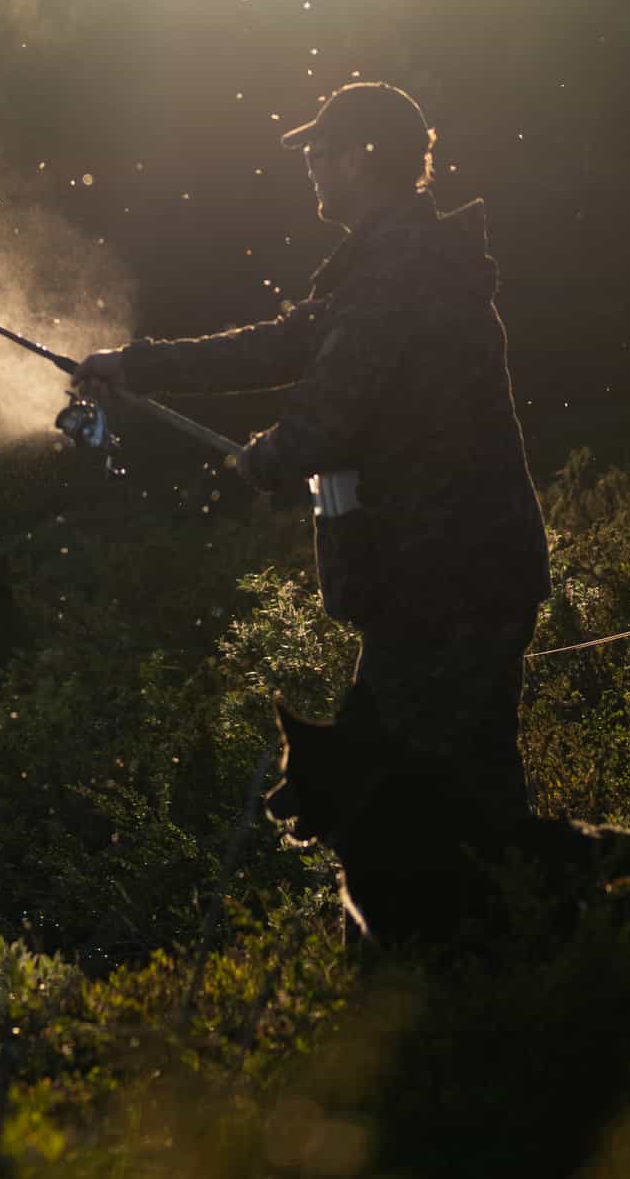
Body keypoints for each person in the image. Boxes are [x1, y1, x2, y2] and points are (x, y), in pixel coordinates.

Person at [73, 81, 551, 817]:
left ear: (363, 158)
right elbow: (281, 346)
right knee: (461, 795)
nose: (310, 166)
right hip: (457, 574)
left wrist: (264, 459)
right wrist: (134, 365)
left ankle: (486, 927)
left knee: (423, 803)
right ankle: (520, 924)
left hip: (446, 578)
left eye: (320, 151)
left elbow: (329, 416)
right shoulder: (391, 264)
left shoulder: (397, 273)